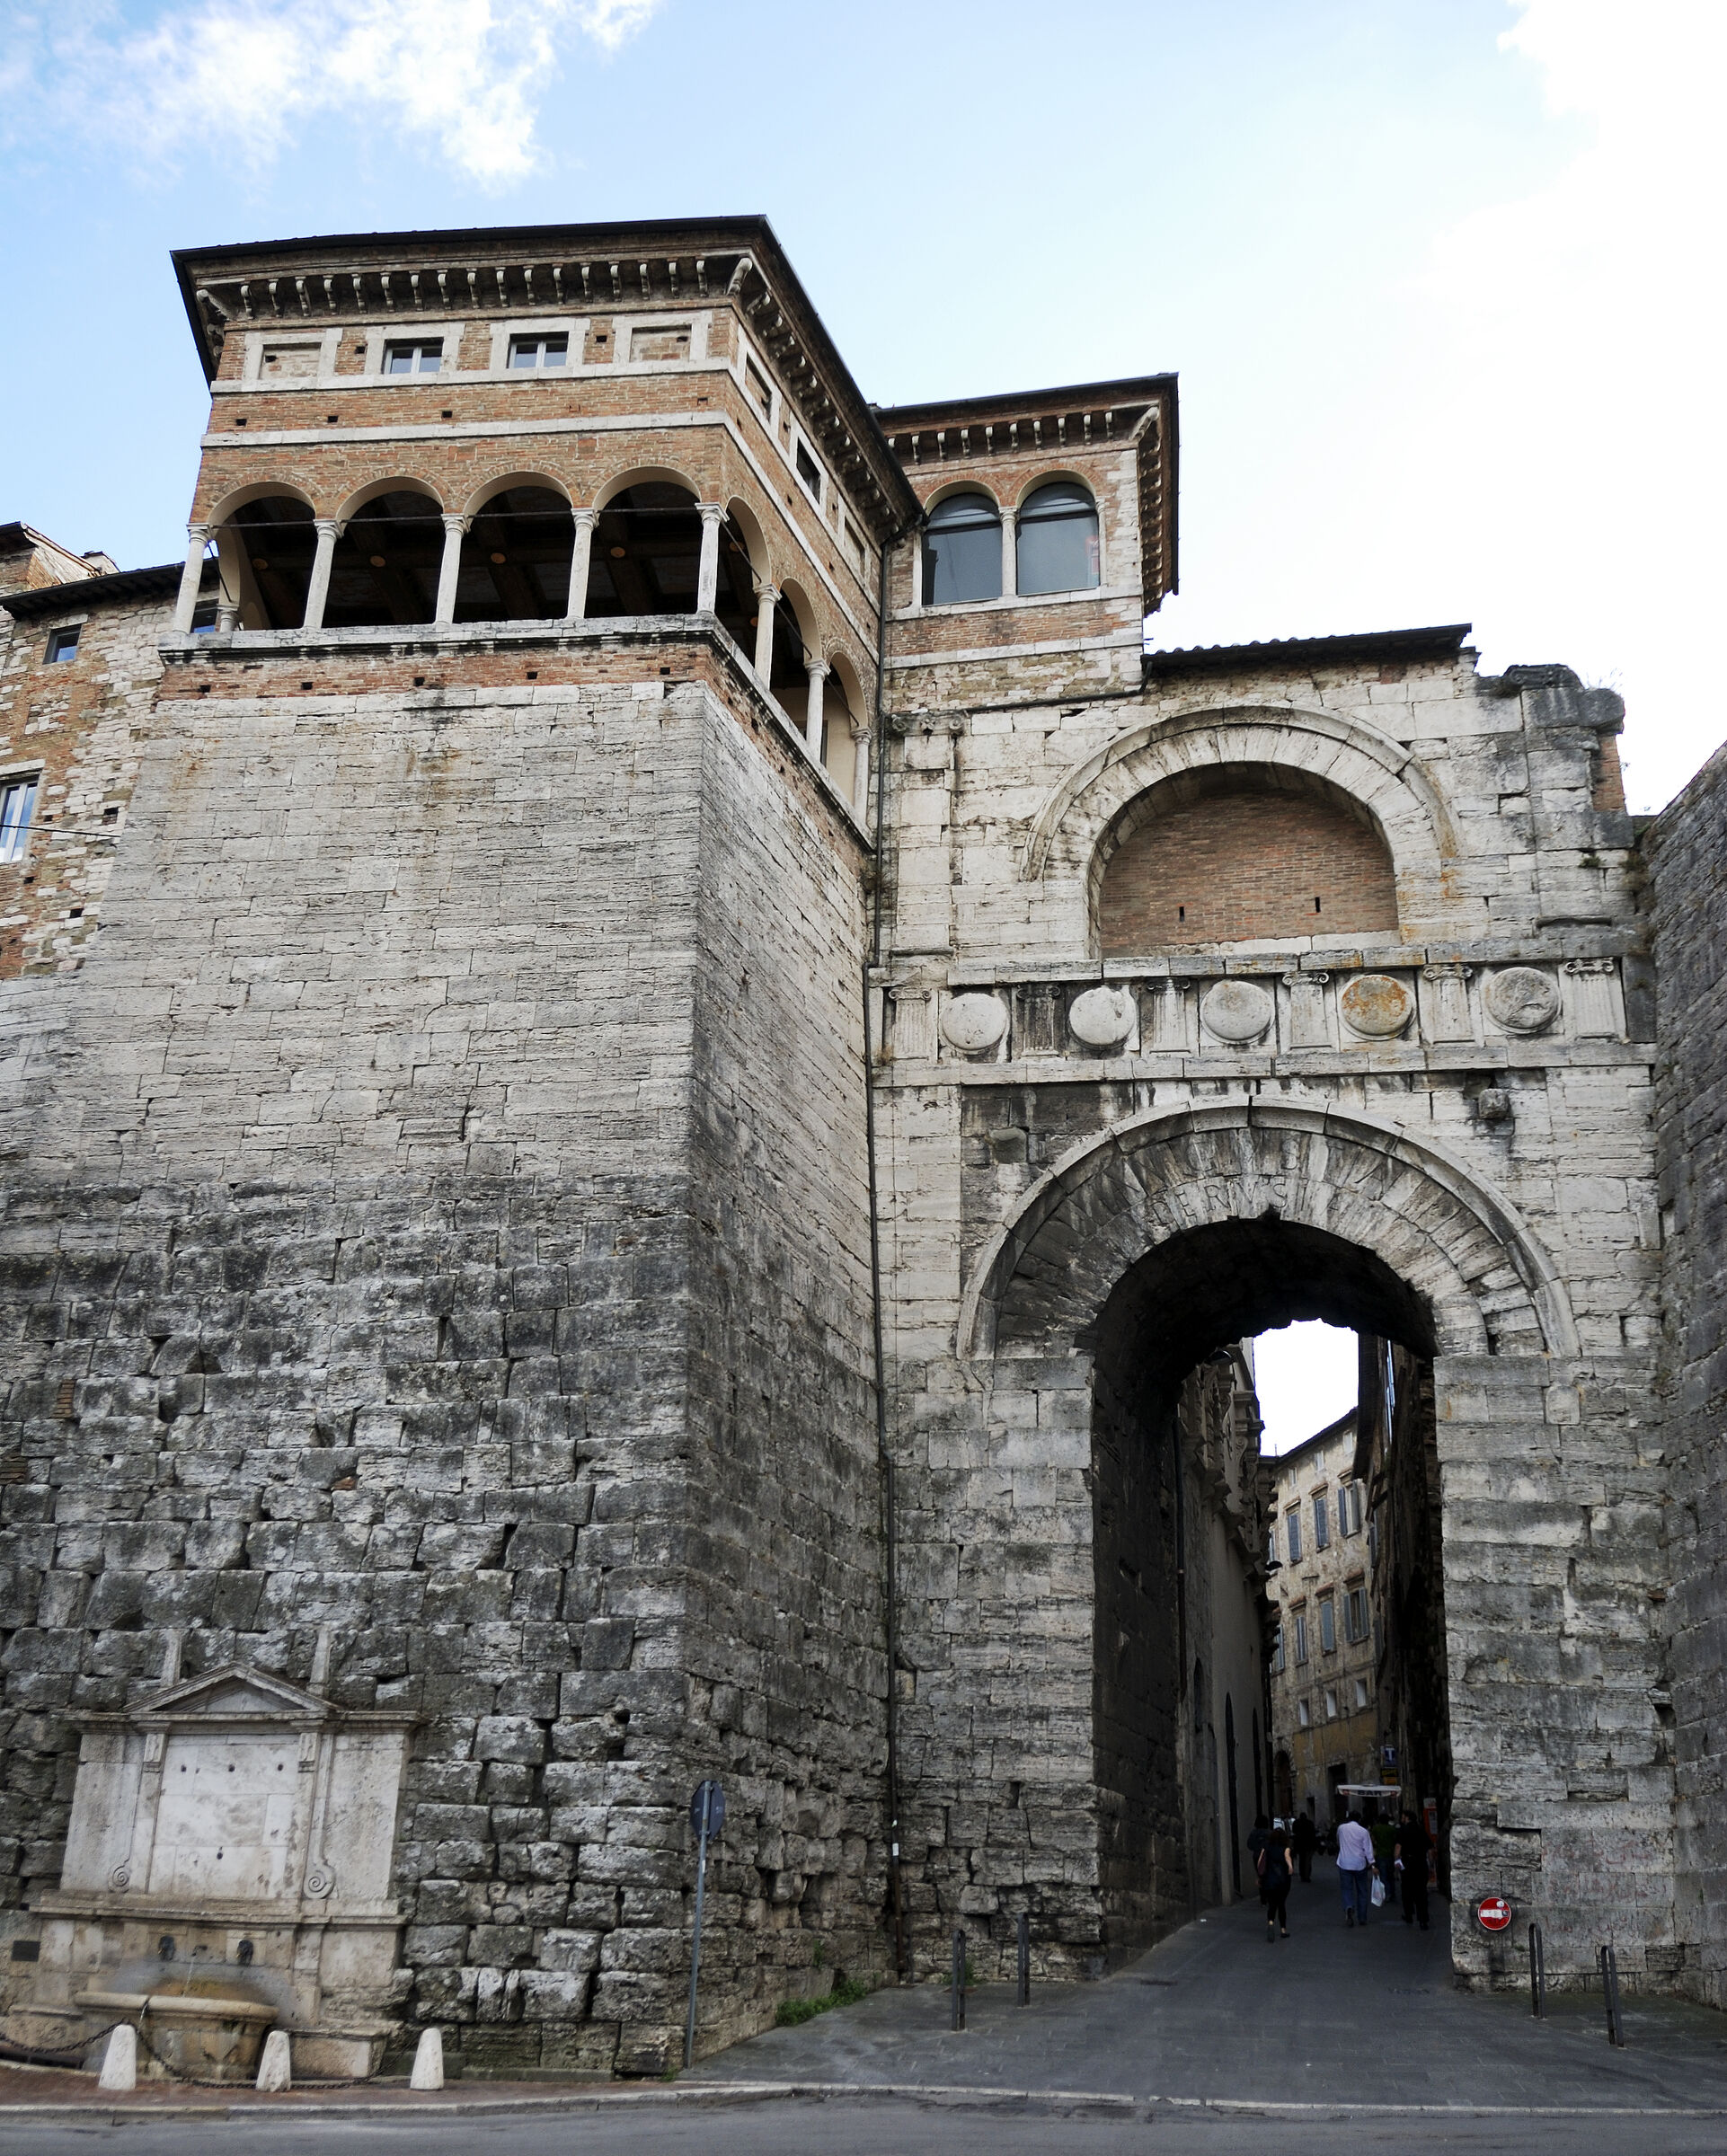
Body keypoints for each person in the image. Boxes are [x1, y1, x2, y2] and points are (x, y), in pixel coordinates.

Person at [1248, 1813, 1293, 1941]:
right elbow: (1289, 1865)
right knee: (1281, 1904)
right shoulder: (1286, 1849)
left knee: (1272, 1904)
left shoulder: (1265, 1846)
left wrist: (1260, 1876)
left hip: (1269, 1880)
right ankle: (1283, 1929)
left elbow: (1260, 1864)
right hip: (1283, 1881)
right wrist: (1289, 1870)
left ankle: (1271, 1922)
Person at [1394, 1807, 1432, 1931]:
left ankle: (1409, 1914)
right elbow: (1430, 1850)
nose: (1401, 1819)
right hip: (1421, 1863)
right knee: (1422, 1892)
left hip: (1408, 1863)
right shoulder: (1422, 1830)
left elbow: (1398, 1847)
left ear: (1406, 1818)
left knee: (1407, 1890)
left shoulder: (1402, 1830)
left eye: (1403, 1816)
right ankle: (1423, 1920)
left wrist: (1397, 1861)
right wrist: (1431, 1864)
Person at [1336, 1808, 1376, 1927]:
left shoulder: (1341, 1828)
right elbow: (1368, 1850)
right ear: (1359, 1819)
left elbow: (1338, 1841)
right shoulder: (1364, 1831)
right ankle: (1362, 1917)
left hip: (1344, 1862)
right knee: (1362, 1891)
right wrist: (1372, 1864)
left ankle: (1348, 1906)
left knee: (1346, 1889)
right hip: (1360, 1864)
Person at [1291, 1807, 1318, 1883]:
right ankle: (1306, 1876)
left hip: (1299, 1845)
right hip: (1308, 1844)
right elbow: (1313, 1834)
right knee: (1307, 1861)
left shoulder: (1296, 1823)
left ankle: (1302, 1875)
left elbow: (1294, 1831)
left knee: (1302, 1860)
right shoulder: (1310, 1823)